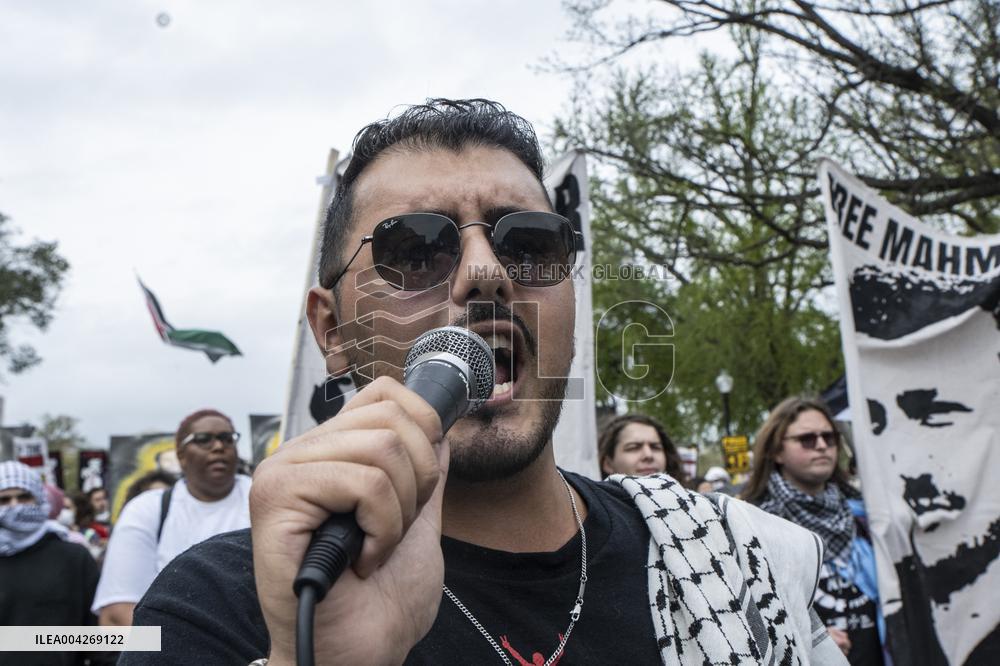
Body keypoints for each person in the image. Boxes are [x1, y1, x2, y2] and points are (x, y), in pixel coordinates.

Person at [123, 99, 846, 665]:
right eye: (415, 248)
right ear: (331, 330)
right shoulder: (220, 605)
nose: (484, 273)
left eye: (529, 242)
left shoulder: (737, 560)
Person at [742, 396, 886, 665]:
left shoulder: (866, 517)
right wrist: (807, 640)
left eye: (829, 438)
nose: (821, 446)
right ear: (776, 451)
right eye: (807, 439)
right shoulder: (751, 527)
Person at [93, 408, 251, 627]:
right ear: (181, 455)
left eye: (227, 438)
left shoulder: (267, 497)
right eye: (203, 439)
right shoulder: (147, 509)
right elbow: (117, 613)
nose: (218, 447)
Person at [0, 462, 99, 666]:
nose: (14, 506)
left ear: (39, 499)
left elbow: (97, 634)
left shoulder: (73, 558)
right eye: (4, 500)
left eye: (24, 497)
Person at [597, 413, 684, 480]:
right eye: (633, 447)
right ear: (608, 464)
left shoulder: (692, 501)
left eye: (656, 447)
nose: (648, 455)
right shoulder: (589, 502)